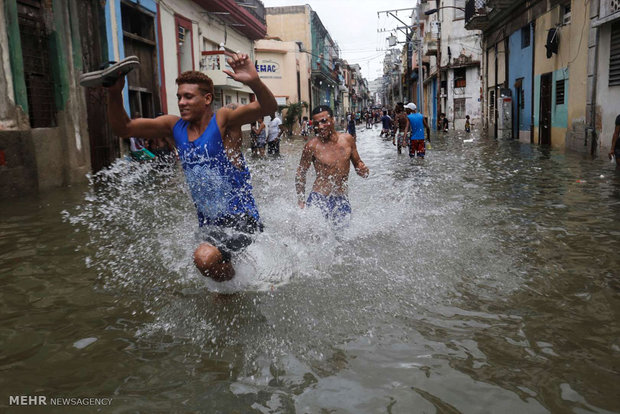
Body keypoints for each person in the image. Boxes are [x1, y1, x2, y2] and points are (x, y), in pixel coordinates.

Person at [104, 52, 277, 282]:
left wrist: (254, 81)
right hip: (209, 224)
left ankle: (235, 286)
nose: (181, 102)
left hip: (242, 219)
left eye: (188, 97)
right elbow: (124, 129)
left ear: (206, 99)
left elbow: (268, 108)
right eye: (179, 97)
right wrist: (114, 93)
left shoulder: (224, 119)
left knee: (203, 258)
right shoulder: (173, 127)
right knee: (214, 275)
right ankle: (236, 290)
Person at [295, 105, 369, 228]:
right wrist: (301, 200)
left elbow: (359, 166)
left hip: (341, 199)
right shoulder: (311, 146)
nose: (320, 126)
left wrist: (364, 170)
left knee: (343, 239)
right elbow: (300, 173)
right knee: (315, 239)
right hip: (318, 198)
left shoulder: (347, 140)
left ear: (332, 120)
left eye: (324, 121)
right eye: (316, 123)